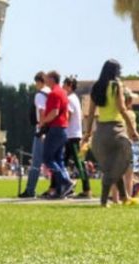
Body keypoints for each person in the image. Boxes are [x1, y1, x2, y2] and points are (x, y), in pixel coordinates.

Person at [82, 59, 139, 207]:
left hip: (100, 131)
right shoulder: (116, 85)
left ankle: (125, 197)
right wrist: (132, 130)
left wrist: (87, 133)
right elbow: (122, 108)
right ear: (115, 72)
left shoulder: (97, 87)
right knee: (116, 165)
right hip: (116, 129)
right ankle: (103, 201)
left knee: (112, 165)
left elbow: (91, 112)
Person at [40, 70, 73, 199]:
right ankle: (60, 190)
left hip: (55, 128)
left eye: (47, 78)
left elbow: (54, 112)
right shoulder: (63, 93)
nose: (45, 80)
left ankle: (65, 181)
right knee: (58, 160)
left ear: (53, 79)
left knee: (48, 158)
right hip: (63, 129)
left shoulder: (54, 93)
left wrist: (43, 121)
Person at [18, 71, 50, 198]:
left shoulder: (40, 95)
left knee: (36, 162)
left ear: (39, 82)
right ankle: (57, 187)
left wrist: (40, 129)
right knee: (52, 160)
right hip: (52, 128)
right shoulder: (51, 93)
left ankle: (30, 189)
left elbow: (41, 112)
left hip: (41, 128)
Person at [63, 76, 91, 198]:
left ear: (69, 86)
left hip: (71, 136)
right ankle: (64, 185)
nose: (62, 87)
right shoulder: (75, 98)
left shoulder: (69, 99)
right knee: (63, 163)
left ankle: (86, 189)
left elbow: (67, 117)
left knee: (79, 164)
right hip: (74, 135)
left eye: (64, 85)